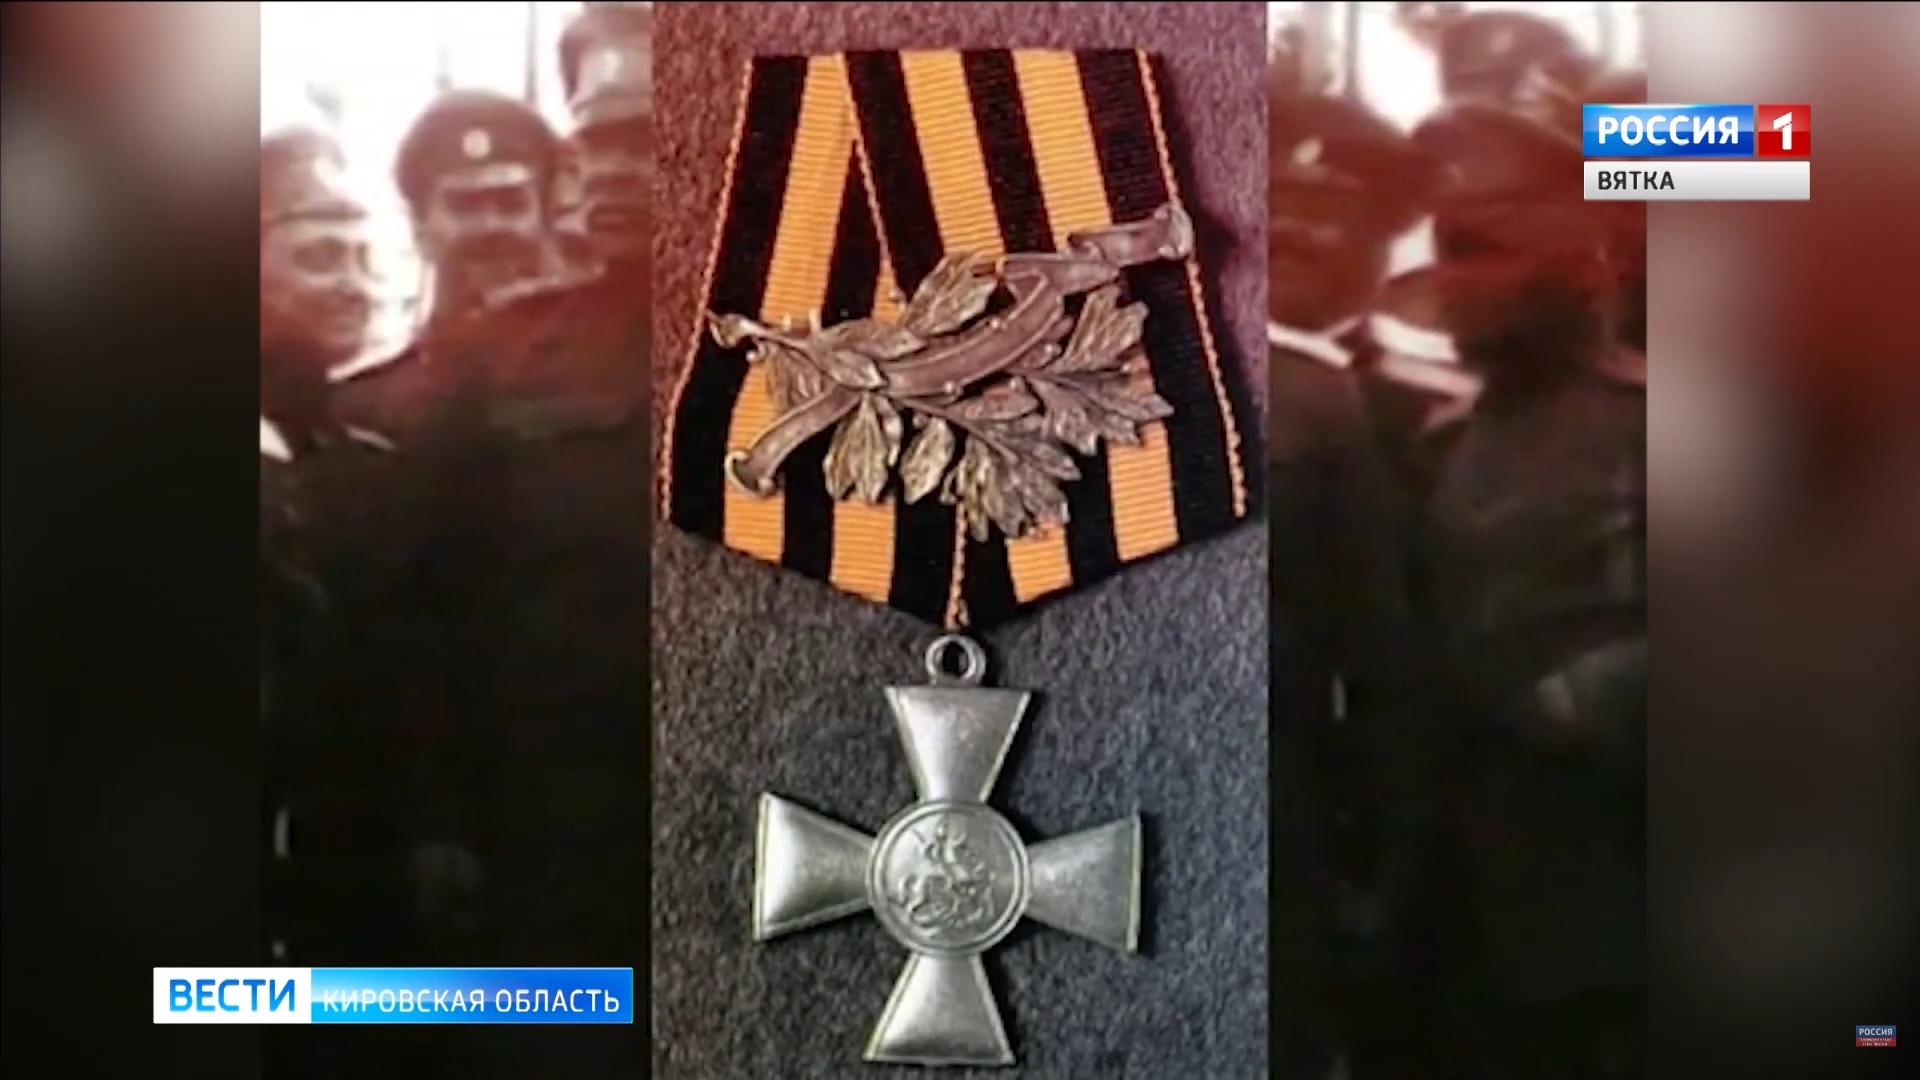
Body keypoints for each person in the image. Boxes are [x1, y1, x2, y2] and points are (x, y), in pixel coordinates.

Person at [1401, 50, 1647, 1080]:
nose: (1458, 288)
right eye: (1450, 255)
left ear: (1583, 261)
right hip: (1466, 928)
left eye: (1491, 252)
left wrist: (1576, 698)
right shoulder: (1439, 442)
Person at [1266, 80, 1436, 1080]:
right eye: (1278, 205)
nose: (1293, 233)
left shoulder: (1411, 403)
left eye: (1329, 214)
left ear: (1384, 247)